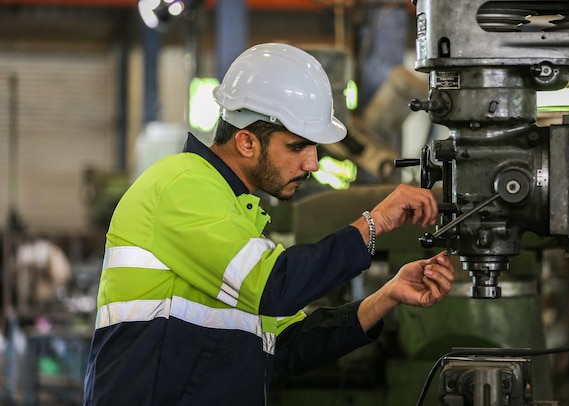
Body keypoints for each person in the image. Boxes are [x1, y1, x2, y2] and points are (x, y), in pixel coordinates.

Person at [83, 42, 455, 405]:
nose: (312, 164)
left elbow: (291, 343)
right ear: (246, 142)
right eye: (297, 147)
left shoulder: (238, 213)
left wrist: (388, 294)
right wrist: (371, 224)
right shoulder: (181, 186)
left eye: (315, 149)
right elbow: (275, 287)